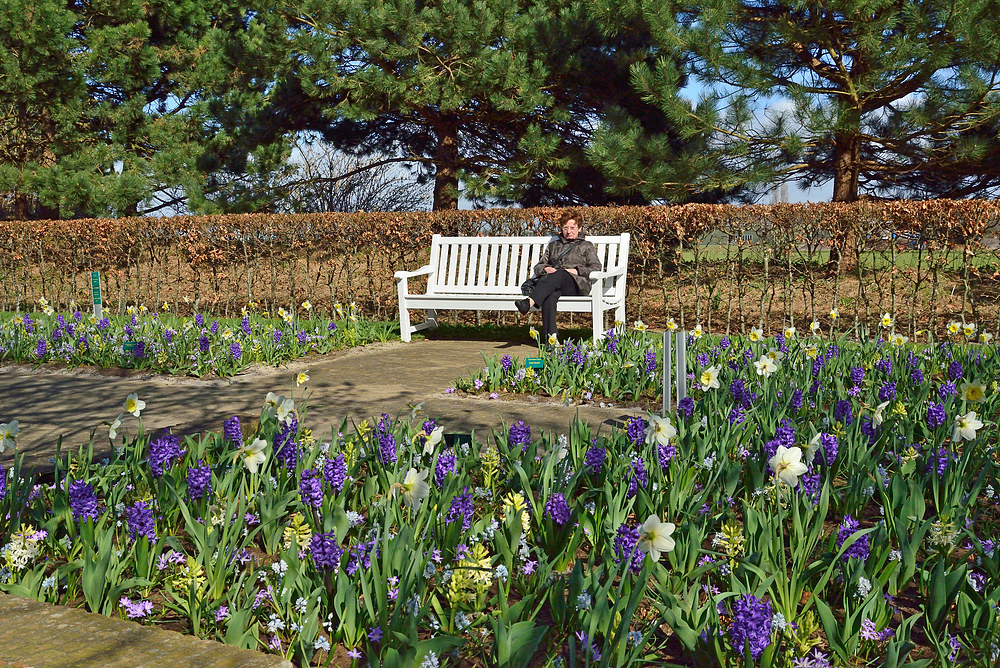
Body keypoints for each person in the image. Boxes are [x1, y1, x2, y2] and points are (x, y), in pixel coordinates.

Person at [514, 211, 602, 341]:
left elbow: (596, 267)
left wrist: (576, 271)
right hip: (554, 284)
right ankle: (551, 338)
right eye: (565, 228)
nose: (569, 231)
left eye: (573, 228)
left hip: (577, 285)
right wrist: (546, 269)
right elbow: (539, 266)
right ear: (561, 228)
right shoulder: (553, 245)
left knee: (561, 273)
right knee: (550, 295)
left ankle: (529, 302)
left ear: (579, 228)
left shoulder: (586, 246)